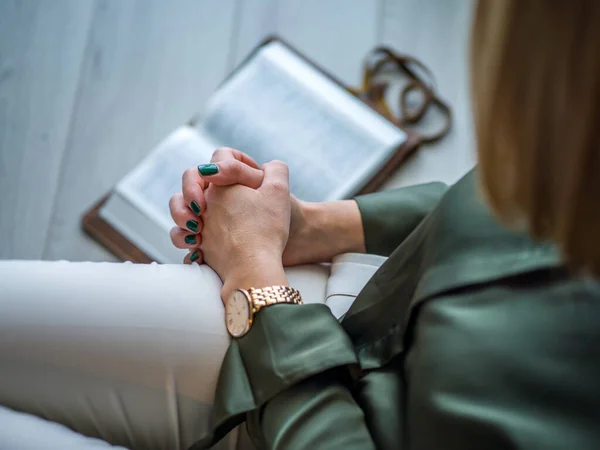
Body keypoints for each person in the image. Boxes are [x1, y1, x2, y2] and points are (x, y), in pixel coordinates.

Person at [1, 0, 599, 449]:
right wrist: (317, 224)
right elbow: (529, 203)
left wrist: (256, 281)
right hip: (340, 307)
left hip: (303, 413)